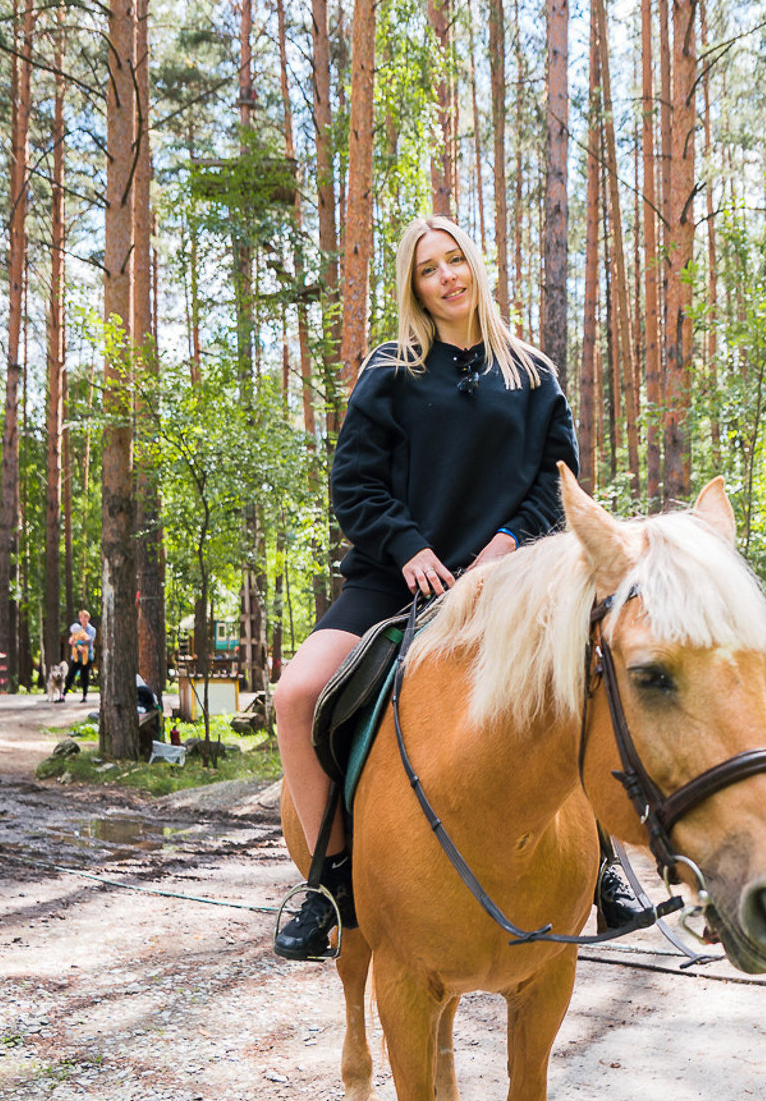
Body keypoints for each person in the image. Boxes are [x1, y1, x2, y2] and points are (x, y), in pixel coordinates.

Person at [272, 213, 643, 961]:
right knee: (296, 694)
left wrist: (505, 548)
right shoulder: (391, 368)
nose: (447, 277)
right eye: (428, 269)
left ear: (477, 265)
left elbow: (556, 483)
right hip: (397, 579)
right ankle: (328, 884)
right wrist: (407, 547)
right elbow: (353, 484)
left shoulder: (533, 374)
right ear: (413, 287)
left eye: (455, 260)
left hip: (510, 584)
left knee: (587, 679)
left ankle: (608, 865)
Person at [64, 609, 96, 703]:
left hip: (87, 655)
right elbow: (72, 639)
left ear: (88, 618)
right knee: (71, 675)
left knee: (84, 675)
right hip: (76, 656)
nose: (83, 619)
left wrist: (77, 642)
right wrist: (77, 644)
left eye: (84, 617)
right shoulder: (77, 628)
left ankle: (84, 695)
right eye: (81, 617)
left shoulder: (92, 629)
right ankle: (63, 694)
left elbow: (89, 641)